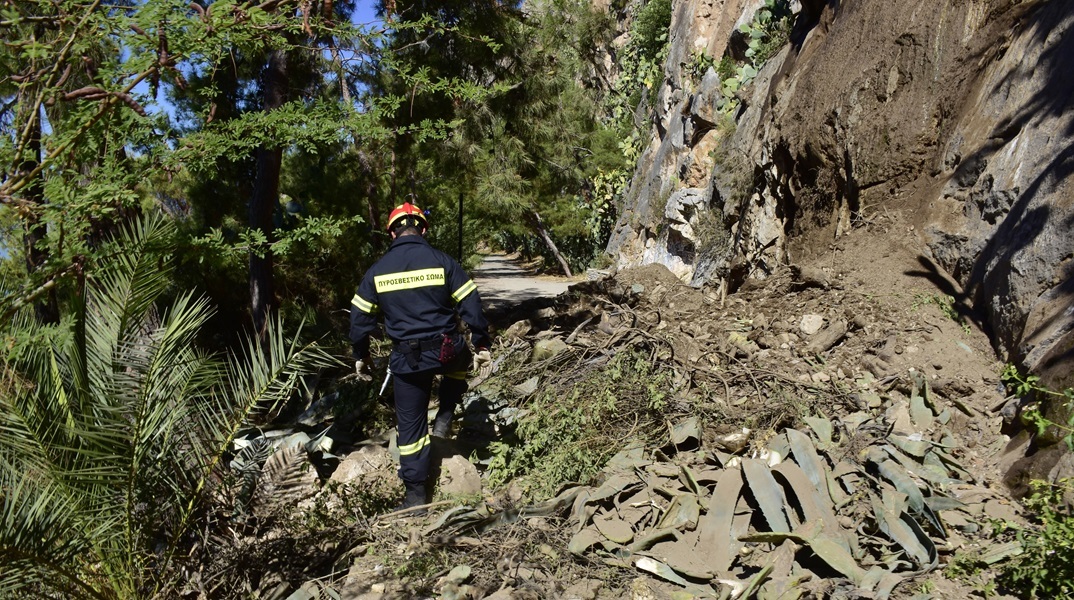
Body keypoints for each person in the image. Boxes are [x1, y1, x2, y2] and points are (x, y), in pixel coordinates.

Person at [349, 201, 493, 510]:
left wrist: (361, 355)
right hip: (447, 351)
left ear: (392, 233)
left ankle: (415, 497)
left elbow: (359, 320)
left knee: (411, 428)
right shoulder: (443, 262)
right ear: (423, 230)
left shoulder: (377, 271)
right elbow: (472, 304)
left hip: (408, 361)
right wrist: (481, 346)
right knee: (460, 361)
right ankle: (445, 415)